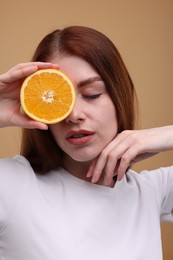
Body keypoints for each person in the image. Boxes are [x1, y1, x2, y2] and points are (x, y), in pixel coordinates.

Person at [0, 26, 172, 260]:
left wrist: (165, 135)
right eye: (57, 98)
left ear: (118, 96)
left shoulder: (152, 191)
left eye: (92, 93)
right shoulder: (11, 185)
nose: (73, 114)